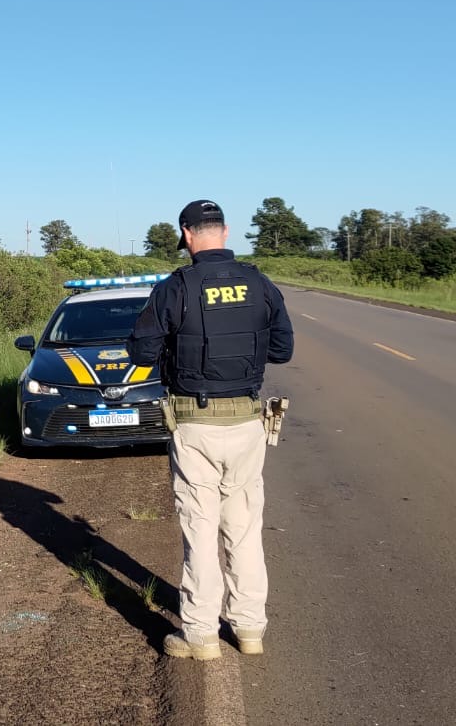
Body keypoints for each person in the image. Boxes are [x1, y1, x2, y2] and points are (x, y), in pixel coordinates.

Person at [128, 199, 294, 660]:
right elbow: (282, 350)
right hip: (247, 422)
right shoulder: (260, 284)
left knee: (199, 529)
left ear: (186, 233)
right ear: (225, 231)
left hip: (195, 423)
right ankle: (249, 629)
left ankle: (200, 635)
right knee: (243, 527)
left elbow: (140, 353)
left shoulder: (175, 288)